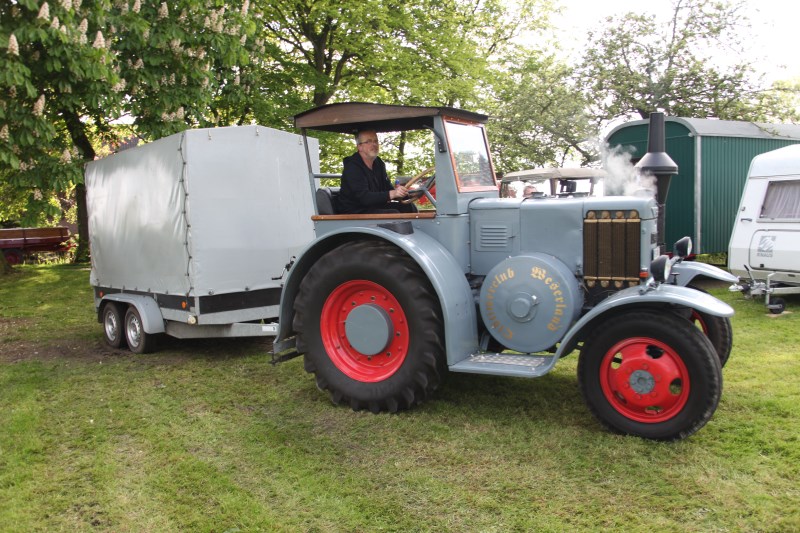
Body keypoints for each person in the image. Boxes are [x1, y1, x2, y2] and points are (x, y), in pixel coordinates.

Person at [335, 130, 416, 214]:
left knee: (408, 207)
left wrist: (408, 194)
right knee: (392, 213)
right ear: (359, 147)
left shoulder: (379, 163)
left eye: (375, 141)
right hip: (354, 212)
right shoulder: (353, 167)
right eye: (368, 141)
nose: (374, 144)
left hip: (373, 207)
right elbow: (364, 198)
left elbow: (388, 189)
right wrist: (392, 193)